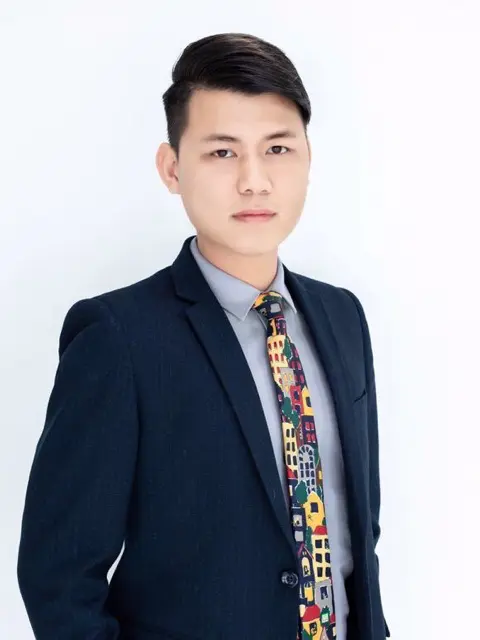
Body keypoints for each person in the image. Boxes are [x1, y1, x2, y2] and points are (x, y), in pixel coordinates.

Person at [17, 32, 390, 640]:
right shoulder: (118, 338)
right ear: (172, 168)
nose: (254, 181)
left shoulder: (342, 316)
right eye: (222, 152)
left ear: (307, 158)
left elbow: (357, 534)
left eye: (277, 149)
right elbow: (59, 577)